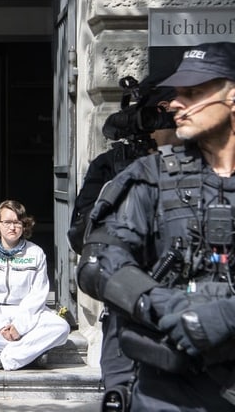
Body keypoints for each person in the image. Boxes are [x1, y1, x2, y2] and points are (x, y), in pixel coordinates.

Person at [78, 41, 235, 411]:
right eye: (177, 92)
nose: (177, 103)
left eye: (194, 93)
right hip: (166, 388)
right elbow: (98, 262)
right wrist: (162, 303)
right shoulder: (151, 176)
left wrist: (224, 315)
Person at [68, 77, 180, 407]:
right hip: (129, 300)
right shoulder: (113, 166)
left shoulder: (204, 166)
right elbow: (79, 235)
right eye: (164, 110)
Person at [0, 199, 70, 371]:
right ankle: (30, 356)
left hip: (26, 313)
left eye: (17, 222)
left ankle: (0, 360)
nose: (12, 227)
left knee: (61, 328)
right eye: (7, 222)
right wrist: (1, 324)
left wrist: (20, 325)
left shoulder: (35, 253)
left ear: (24, 226)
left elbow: (37, 294)